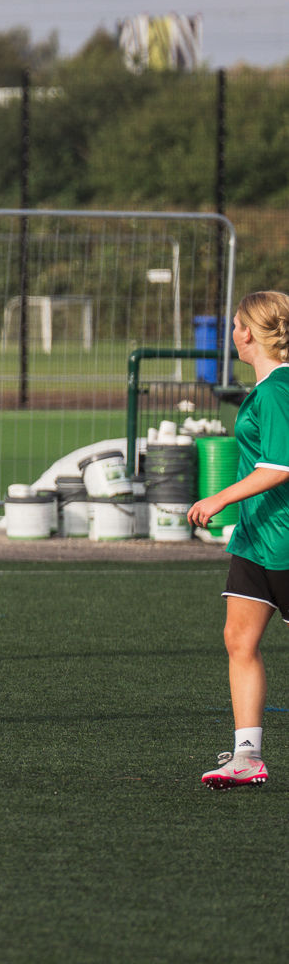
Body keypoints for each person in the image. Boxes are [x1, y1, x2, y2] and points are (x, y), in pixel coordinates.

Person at [187, 291, 289, 788]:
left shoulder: (277, 390)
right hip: (256, 537)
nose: (232, 333)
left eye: (234, 325)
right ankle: (248, 756)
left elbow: (278, 467)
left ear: (247, 333)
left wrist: (218, 498)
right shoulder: (268, 385)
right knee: (239, 639)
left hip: (285, 538)